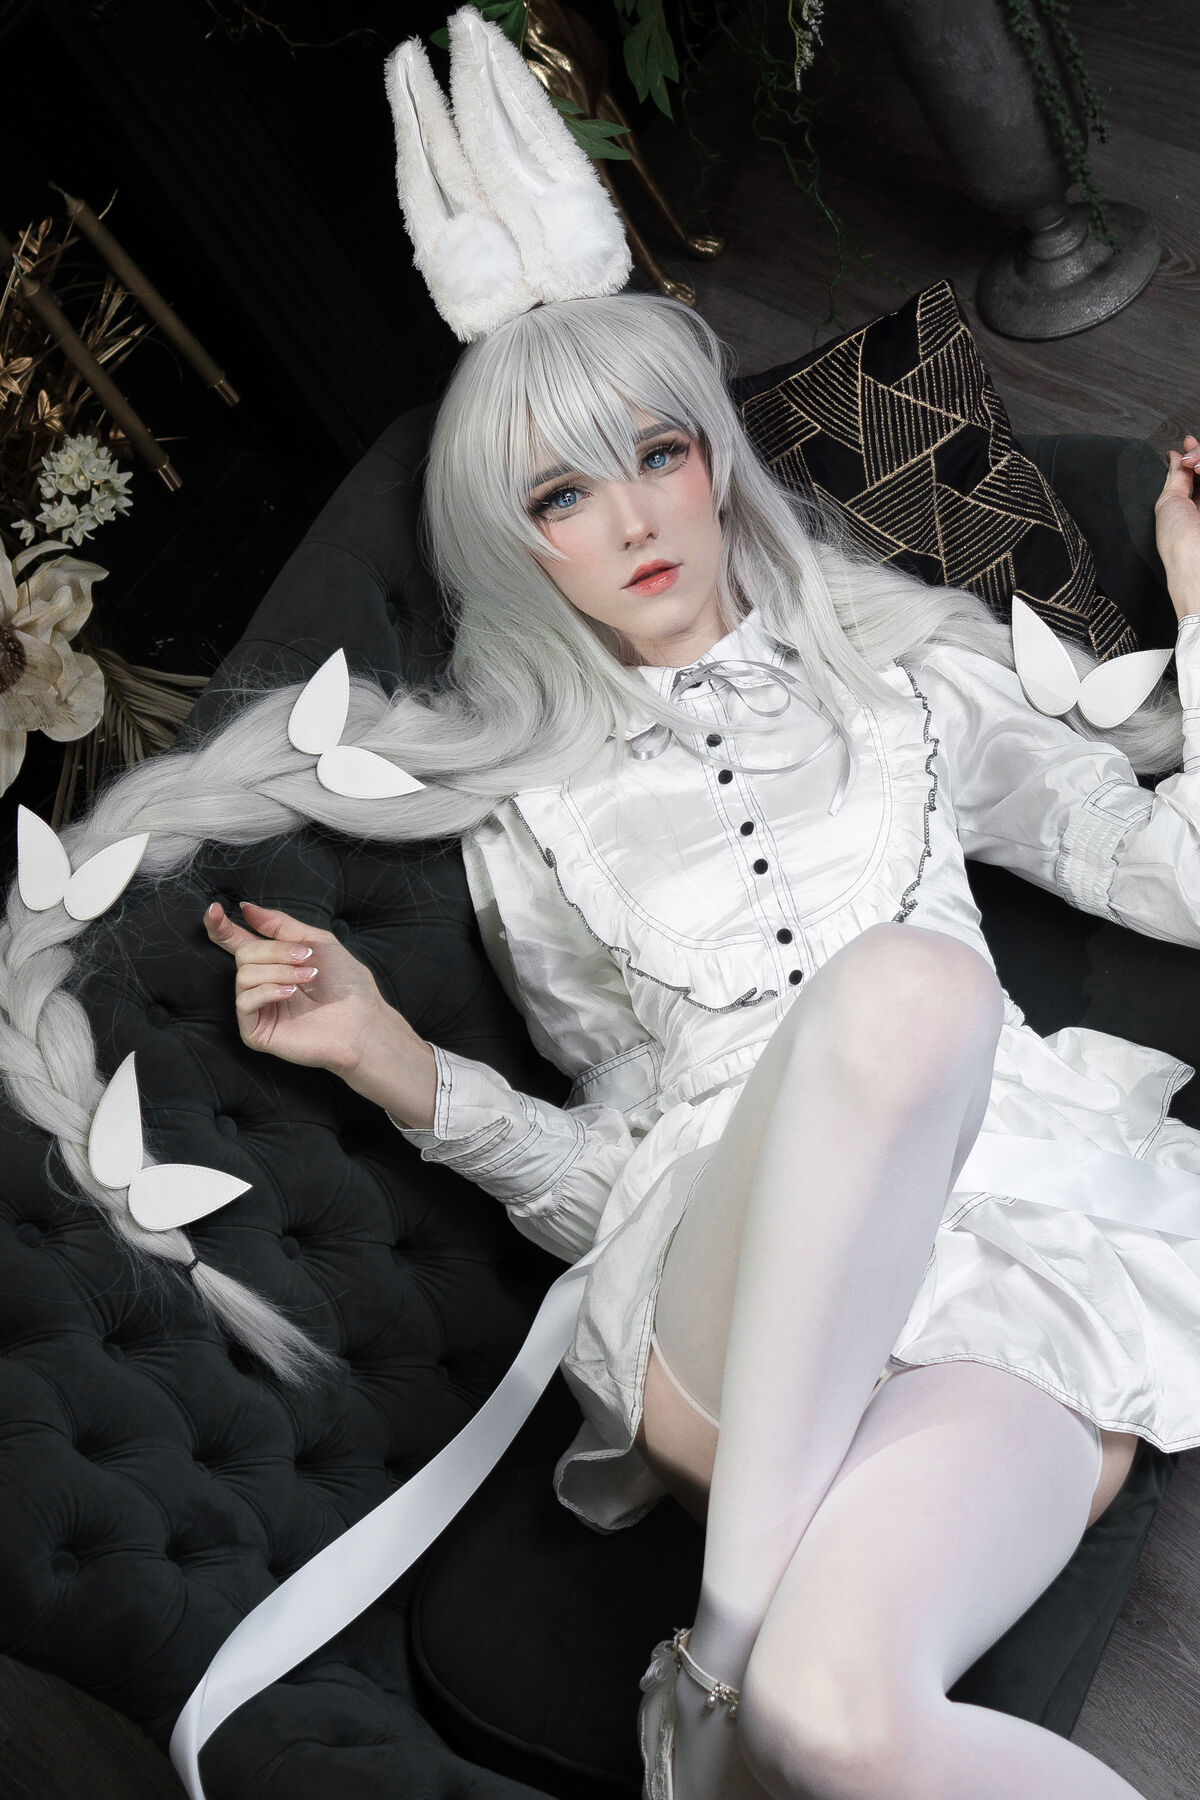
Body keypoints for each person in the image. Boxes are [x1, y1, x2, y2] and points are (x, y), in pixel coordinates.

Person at [3, 11, 1199, 1797]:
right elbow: (610, 1167)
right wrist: (405, 1072)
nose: (634, 518)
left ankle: (723, 1687)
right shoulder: (532, 810)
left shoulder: (910, 686)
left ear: (716, 460)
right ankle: (720, 1636)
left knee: (833, 1718)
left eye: (659, 453)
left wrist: (1199, 604)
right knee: (906, 990)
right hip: (720, 1310)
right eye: (563, 491)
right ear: (517, 540)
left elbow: (1173, 874)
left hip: (1019, 1257)